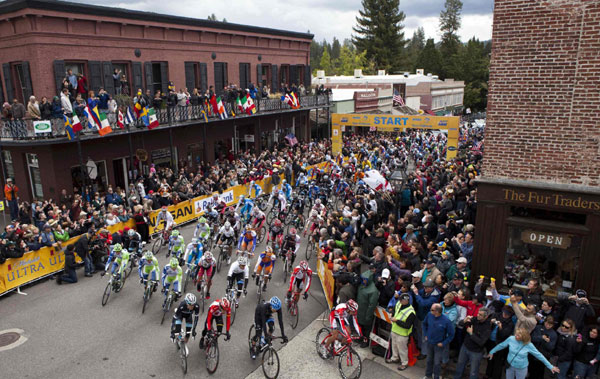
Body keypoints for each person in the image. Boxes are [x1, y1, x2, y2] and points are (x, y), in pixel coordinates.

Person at [487, 327, 560, 379]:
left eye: (518, 335)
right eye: (516, 334)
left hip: (521, 368)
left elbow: (539, 355)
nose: (515, 336)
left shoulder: (529, 345)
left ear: (523, 337)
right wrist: (492, 351)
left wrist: (550, 366)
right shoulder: (511, 339)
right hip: (510, 365)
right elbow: (501, 345)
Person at [453, 307, 492, 379]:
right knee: (459, 366)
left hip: (476, 352)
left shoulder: (488, 327)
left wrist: (471, 334)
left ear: (486, 317)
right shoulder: (474, 319)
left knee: (473, 372)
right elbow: (460, 324)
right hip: (465, 347)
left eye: (480, 315)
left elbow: (481, 342)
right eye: (478, 313)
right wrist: (464, 321)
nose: (477, 315)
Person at [422, 303, 455, 379]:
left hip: (438, 345)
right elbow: (424, 324)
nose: (430, 311)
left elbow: (451, 335)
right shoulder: (429, 315)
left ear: (437, 311)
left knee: (437, 363)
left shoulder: (446, 321)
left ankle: (436, 377)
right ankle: (428, 375)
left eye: (432, 310)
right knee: (429, 360)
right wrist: (426, 334)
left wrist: (443, 343)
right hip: (430, 343)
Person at [387, 293, 415, 371]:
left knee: (402, 349)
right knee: (394, 345)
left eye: (401, 300)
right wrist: (391, 313)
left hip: (403, 333)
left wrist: (397, 321)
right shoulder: (399, 303)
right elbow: (395, 309)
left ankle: (404, 363)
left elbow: (407, 325)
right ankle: (394, 358)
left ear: (406, 301)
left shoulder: (411, 312)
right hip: (394, 330)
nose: (399, 301)